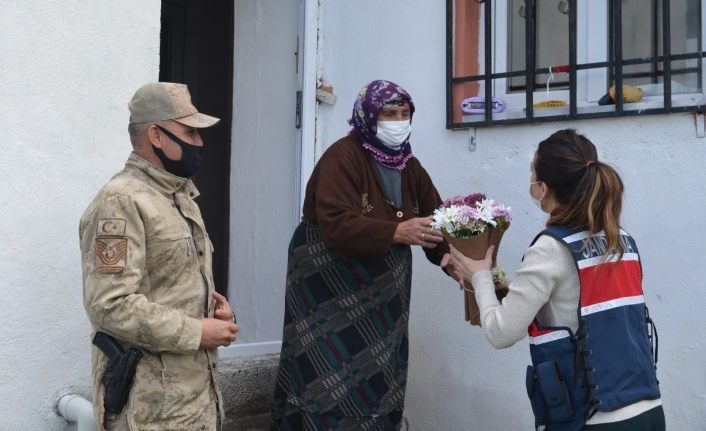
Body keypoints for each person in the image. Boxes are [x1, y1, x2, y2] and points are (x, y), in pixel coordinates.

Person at [270, 80, 459, 431]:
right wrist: (394, 231)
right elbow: (336, 221)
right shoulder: (342, 157)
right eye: (389, 113)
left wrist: (449, 259)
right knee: (323, 372)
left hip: (383, 298)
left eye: (405, 114)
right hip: (329, 286)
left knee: (379, 371)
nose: (398, 121)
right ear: (369, 116)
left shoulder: (409, 165)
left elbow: (436, 218)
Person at [444, 129, 664, 431]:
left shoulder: (550, 248)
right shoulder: (622, 240)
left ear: (542, 188)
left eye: (532, 173)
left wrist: (479, 276)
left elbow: (501, 333)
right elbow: (582, 306)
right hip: (648, 410)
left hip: (594, 419)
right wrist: (510, 292)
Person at [79, 82, 239, 431]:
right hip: (151, 411)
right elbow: (110, 305)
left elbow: (167, 288)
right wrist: (198, 331)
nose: (200, 143)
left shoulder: (177, 197)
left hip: (192, 402)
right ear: (156, 135)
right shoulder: (121, 202)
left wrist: (213, 313)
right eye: (190, 132)